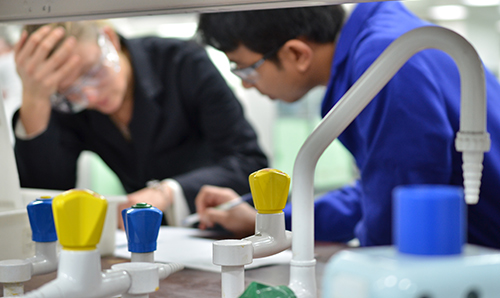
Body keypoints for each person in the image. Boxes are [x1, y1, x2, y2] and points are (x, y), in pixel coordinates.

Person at [194, 2, 500, 249]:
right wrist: (268, 219)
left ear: (297, 53)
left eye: (246, 70)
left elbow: (397, 214)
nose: (248, 87)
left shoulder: (382, 63)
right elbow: (378, 192)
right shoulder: (383, 40)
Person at [12, 21, 268, 226]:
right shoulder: (65, 103)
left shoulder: (182, 63)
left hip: (224, 229)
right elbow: (47, 197)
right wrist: (35, 100)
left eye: (93, 72)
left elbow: (248, 161)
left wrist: (167, 192)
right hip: (143, 242)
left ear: (110, 40)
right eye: (70, 91)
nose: (89, 96)